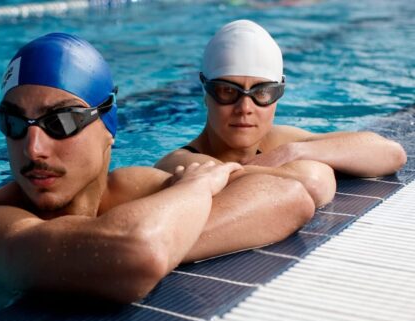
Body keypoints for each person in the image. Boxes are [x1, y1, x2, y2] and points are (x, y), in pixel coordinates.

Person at [0, 33, 315, 303]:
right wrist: (192, 193)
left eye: (61, 122)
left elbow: (291, 195)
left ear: (108, 129)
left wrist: (153, 236)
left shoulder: (131, 188)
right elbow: (133, 253)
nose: (33, 148)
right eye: (14, 125)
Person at [155, 20, 407, 207]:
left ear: (278, 94)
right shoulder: (182, 164)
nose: (245, 108)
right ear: (206, 92)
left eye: (262, 92)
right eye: (226, 91)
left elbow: (391, 153)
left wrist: (295, 151)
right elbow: (312, 183)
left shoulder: (278, 142)